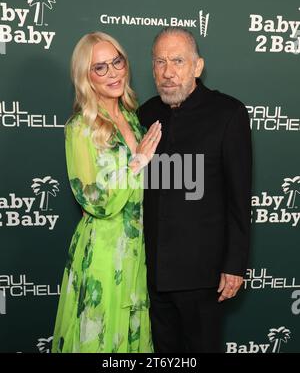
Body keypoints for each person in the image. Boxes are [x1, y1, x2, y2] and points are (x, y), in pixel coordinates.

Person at [137, 28, 252, 353]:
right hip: (152, 274)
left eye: (177, 61)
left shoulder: (228, 113)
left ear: (197, 67)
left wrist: (235, 264)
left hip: (202, 276)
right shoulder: (145, 113)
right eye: (159, 62)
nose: (167, 72)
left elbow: (239, 197)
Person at [52, 32, 161, 353]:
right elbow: (94, 201)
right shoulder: (80, 128)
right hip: (103, 250)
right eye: (100, 68)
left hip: (137, 249)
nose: (113, 73)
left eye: (117, 62)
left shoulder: (132, 118)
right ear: (85, 76)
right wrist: (137, 162)